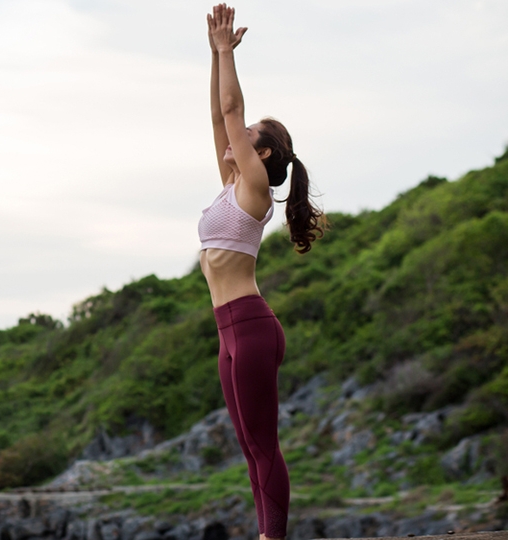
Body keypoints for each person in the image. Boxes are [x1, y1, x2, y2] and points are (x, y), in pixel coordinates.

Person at [198, 5, 326, 540]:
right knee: (249, 446)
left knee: (264, 445)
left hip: (251, 327)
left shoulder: (253, 189)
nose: (234, 133)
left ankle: (275, 537)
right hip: (229, 332)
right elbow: (219, 116)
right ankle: (265, 535)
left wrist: (228, 52)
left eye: (247, 133)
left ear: (263, 153)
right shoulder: (232, 184)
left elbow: (232, 108)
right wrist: (214, 57)